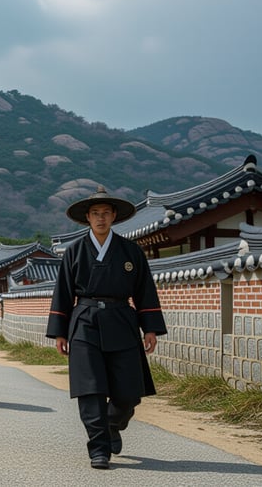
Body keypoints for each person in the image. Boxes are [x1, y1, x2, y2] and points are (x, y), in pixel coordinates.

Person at [45, 185, 167, 470]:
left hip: (122, 320)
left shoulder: (130, 252)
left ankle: (113, 424)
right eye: (95, 213)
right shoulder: (74, 252)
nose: (101, 218)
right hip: (84, 323)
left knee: (128, 394)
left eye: (106, 213)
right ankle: (98, 449)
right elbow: (62, 292)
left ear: (114, 217)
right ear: (87, 217)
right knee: (91, 391)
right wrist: (60, 332)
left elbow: (145, 291)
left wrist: (150, 328)